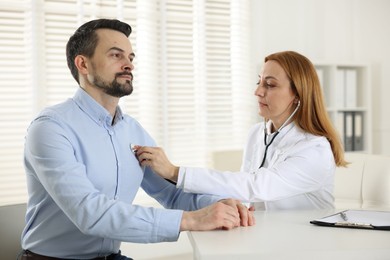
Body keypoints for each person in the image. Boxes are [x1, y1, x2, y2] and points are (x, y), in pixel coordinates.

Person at [21, 18, 254, 260]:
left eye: (130, 58)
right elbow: (90, 214)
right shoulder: (50, 128)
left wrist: (220, 205)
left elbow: (172, 194)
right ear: (83, 64)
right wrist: (192, 219)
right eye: (115, 55)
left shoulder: (132, 130)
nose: (128, 65)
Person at [135, 50, 348, 211]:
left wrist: (174, 172)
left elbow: (255, 186)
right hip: (265, 236)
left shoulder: (314, 149)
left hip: (309, 245)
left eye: (270, 85)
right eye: (259, 82)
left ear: (297, 95)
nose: (258, 91)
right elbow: (245, 189)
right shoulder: (257, 133)